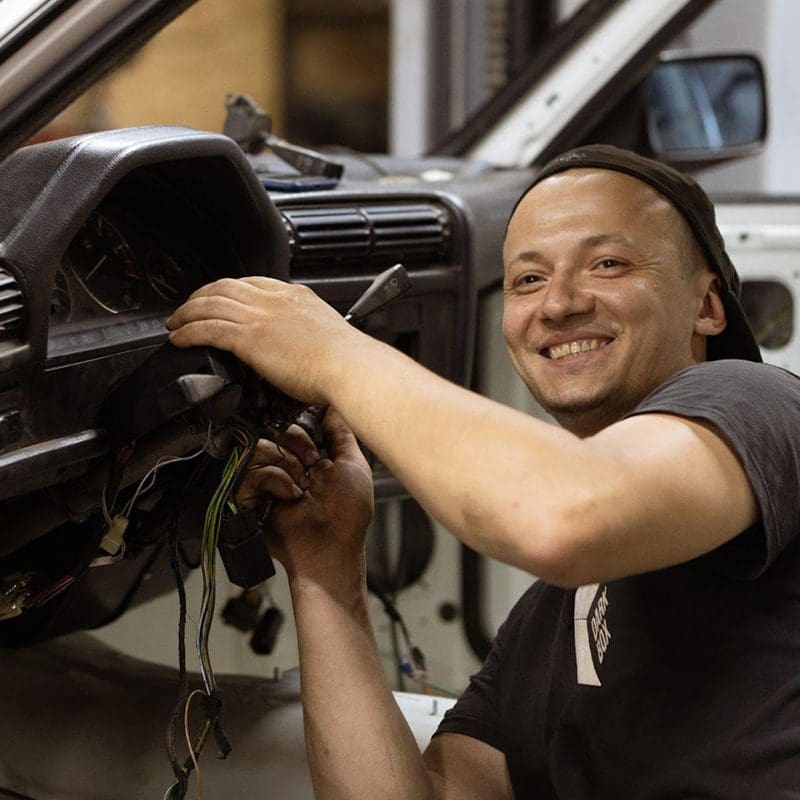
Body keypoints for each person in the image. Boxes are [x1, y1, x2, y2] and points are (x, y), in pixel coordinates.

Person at [166, 145, 800, 798]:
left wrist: (330, 353)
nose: (558, 304)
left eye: (607, 264)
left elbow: (564, 517)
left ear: (707, 307)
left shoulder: (757, 401)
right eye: (528, 280)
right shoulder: (547, 626)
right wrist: (326, 569)